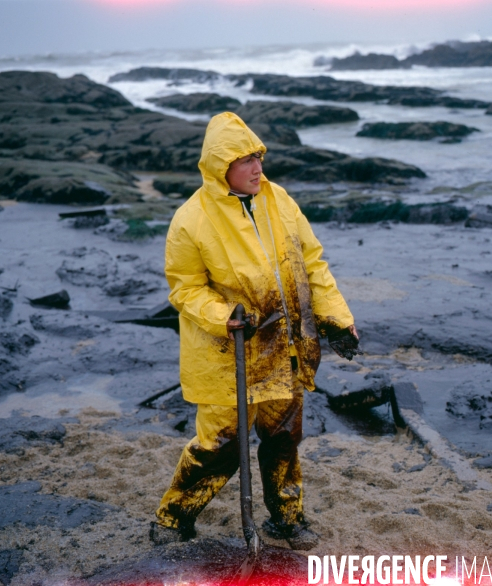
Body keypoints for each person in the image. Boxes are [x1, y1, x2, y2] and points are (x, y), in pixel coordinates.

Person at [150, 112, 360, 551]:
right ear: (219, 166)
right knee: (222, 445)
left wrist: (336, 317)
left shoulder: (279, 200)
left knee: (283, 438)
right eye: (245, 160)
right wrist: (222, 315)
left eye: (259, 157)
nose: (257, 169)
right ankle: (173, 518)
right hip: (228, 354)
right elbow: (184, 289)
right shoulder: (191, 220)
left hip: (283, 350)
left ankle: (287, 518)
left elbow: (313, 264)